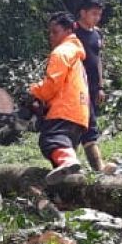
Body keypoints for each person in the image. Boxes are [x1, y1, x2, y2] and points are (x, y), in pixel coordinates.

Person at [30, 11, 90, 181]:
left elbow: (52, 85)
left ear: (68, 31)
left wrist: (35, 91)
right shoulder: (75, 53)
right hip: (79, 112)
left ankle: (69, 161)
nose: (51, 36)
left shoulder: (62, 52)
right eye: (50, 32)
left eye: (55, 32)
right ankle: (69, 194)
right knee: (62, 167)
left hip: (64, 109)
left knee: (50, 140)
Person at [73, 0, 115, 173]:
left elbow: (98, 60)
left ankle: (91, 166)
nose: (97, 18)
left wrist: (100, 86)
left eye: (99, 14)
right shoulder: (72, 31)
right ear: (82, 12)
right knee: (85, 125)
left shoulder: (97, 34)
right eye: (93, 14)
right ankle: (97, 167)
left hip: (91, 87)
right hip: (75, 87)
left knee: (88, 123)